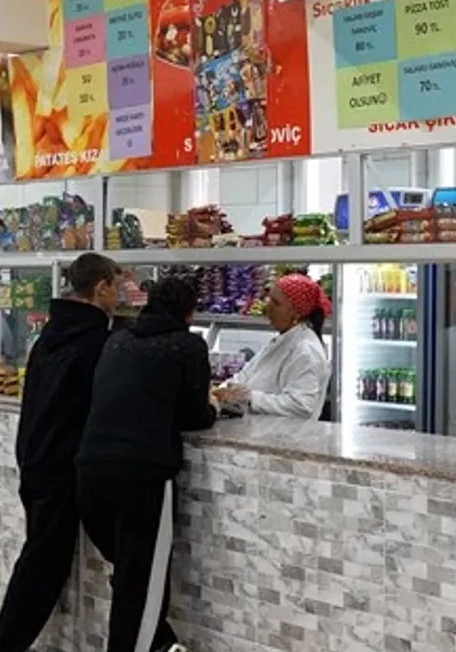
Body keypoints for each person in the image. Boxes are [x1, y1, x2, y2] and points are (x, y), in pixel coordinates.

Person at [0, 253, 122, 652]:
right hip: (63, 467)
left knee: (40, 559)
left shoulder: (50, 335)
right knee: (42, 566)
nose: (121, 296)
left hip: (34, 456)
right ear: (101, 287)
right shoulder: (95, 342)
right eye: (116, 286)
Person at [76, 277, 217, 652]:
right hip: (141, 476)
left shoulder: (117, 340)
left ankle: (162, 644)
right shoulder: (187, 344)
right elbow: (194, 415)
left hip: (89, 472)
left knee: (130, 581)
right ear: (189, 313)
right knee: (140, 587)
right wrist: (215, 406)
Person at [214, 273, 332, 419]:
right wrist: (222, 390)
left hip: (286, 433)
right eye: (269, 299)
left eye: (276, 303)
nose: (268, 307)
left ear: (296, 312)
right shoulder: (282, 341)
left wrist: (251, 398)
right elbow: (246, 375)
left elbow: (301, 406)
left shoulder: (305, 351)